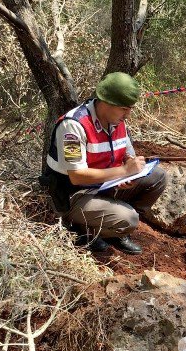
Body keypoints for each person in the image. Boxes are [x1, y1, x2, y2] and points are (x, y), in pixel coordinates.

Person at [42, 72, 167, 254]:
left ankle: (115, 231)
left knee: (158, 177)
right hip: (74, 195)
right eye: (124, 108)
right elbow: (77, 177)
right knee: (129, 219)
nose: (128, 115)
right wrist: (123, 171)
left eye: (130, 108)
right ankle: (83, 231)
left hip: (104, 185)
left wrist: (129, 172)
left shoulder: (116, 121)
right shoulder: (73, 126)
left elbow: (127, 154)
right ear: (106, 102)